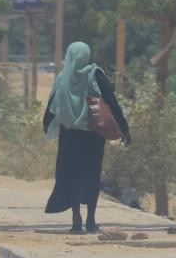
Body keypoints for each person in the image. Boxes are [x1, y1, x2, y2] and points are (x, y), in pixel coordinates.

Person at [43, 41, 131, 234]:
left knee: (72, 176)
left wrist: (46, 125)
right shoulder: (95, 74)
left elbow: (51, 105)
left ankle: (76, 221)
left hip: (69, 136)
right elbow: (111, 102)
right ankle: (90, 220)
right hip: (93, 136)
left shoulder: (63, 77)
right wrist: (124, 129)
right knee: (91, 176)